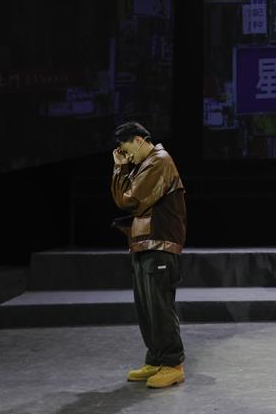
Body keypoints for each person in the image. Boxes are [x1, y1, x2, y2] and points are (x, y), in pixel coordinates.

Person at [110, 121, 187, 389]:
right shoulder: (143, 165)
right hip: (145, 243)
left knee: (160, 308)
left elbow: (128, 200)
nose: (125, 155)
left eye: (126, 148)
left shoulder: (159, 161)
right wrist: (123, 168)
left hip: (160, 245)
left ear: (139, 140)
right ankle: (156, 359)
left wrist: (120, 168)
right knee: (147, 308)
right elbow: (126, 198)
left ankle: (173, 364)